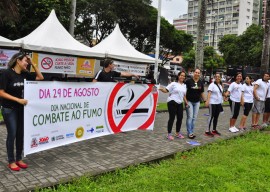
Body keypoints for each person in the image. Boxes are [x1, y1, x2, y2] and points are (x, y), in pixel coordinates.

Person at [0, 52, 44, 171]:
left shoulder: (25, 74)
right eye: (25, 61)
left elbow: (40, 77)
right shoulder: (6, 73)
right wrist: (18, 100)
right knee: (12, 134)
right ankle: (11, 161)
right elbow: (1, 92)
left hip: (21, 109)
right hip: (9, 109)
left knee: (20, 134)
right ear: (18, 61)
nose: (26, 63)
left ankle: (19, 158)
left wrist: (33, 64)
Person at [159, 72, 188, 140]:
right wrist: (160, 88)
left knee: (180, 118)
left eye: (184, 76)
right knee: (172, 118)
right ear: (178, 76)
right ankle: (169, 134)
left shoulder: (184, 85)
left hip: (180, 103)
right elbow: (166, 90)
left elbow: (183, 95)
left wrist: (186, 102)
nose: (182, 77)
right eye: (181, 75)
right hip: (172, 102)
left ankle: (177, 133)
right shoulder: (173, 84)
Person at [185, 68, 206, 139]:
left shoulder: (201, 82)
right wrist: (185, 101)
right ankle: (190, 132)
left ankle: (191, 131)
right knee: (190, 117)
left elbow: (202, 92)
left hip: (197, 102)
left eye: (198, 73)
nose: (197, 74)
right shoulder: (188, 81)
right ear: (193, 73)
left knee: (194, 118)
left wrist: (205, 101)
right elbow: (184, 91)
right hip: (189, 101)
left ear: (200, 74)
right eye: (196, 72)